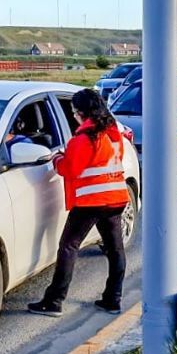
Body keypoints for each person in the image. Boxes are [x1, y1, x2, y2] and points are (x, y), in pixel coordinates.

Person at [28, 89, 130, 318]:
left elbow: (69, 169)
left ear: (82, 113)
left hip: (91, 202)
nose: (73, 116)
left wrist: (57, 158)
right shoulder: (114, 135)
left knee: (68, 247)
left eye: (74, 112)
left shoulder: (83, 139)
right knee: (115, 250)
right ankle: (113, 299)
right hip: (116, 198)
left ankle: (54, 301)